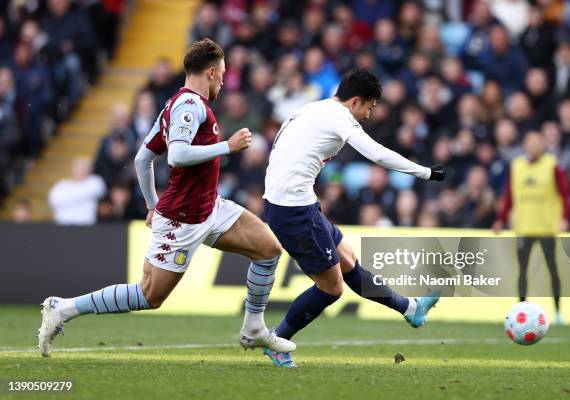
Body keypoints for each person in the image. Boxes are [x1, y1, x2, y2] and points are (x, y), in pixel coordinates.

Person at [38, 39, 295, 357]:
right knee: (150, 295)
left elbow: (142, 160)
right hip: (182, 218)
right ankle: (62, 308)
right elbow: (178, 154)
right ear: (211, 72)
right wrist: (227, 147)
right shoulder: (190, 106)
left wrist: (150, 205)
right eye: (223, 73)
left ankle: (253, 329)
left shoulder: (173, 105)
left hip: (209, 207)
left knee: (269, 249)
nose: (225, 80)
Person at [262, 69, 447, 367]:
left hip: (296, 202)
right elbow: (376, 154)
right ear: (356, 101)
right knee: (331, 288)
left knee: (347, 259)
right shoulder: (338, 117)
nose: (369, 116)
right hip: (292, 208)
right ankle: (276, 340)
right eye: (369, 108)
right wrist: (424, 172)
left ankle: (409, 308)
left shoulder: (314, 108)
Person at [493, 131, 570, 324]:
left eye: (537, 143)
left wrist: (564, 217)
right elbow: (509, 194)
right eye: (530, 143)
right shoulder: (517, 166)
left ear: (543, 145)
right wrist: (501, 219)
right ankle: (521, 311)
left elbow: (564, 193)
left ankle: (559, 312)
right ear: (524, 145)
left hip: (546, 227)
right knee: (522, 271)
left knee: (553, 270)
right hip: (524, 227)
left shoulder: (553, 165)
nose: (533, 146)